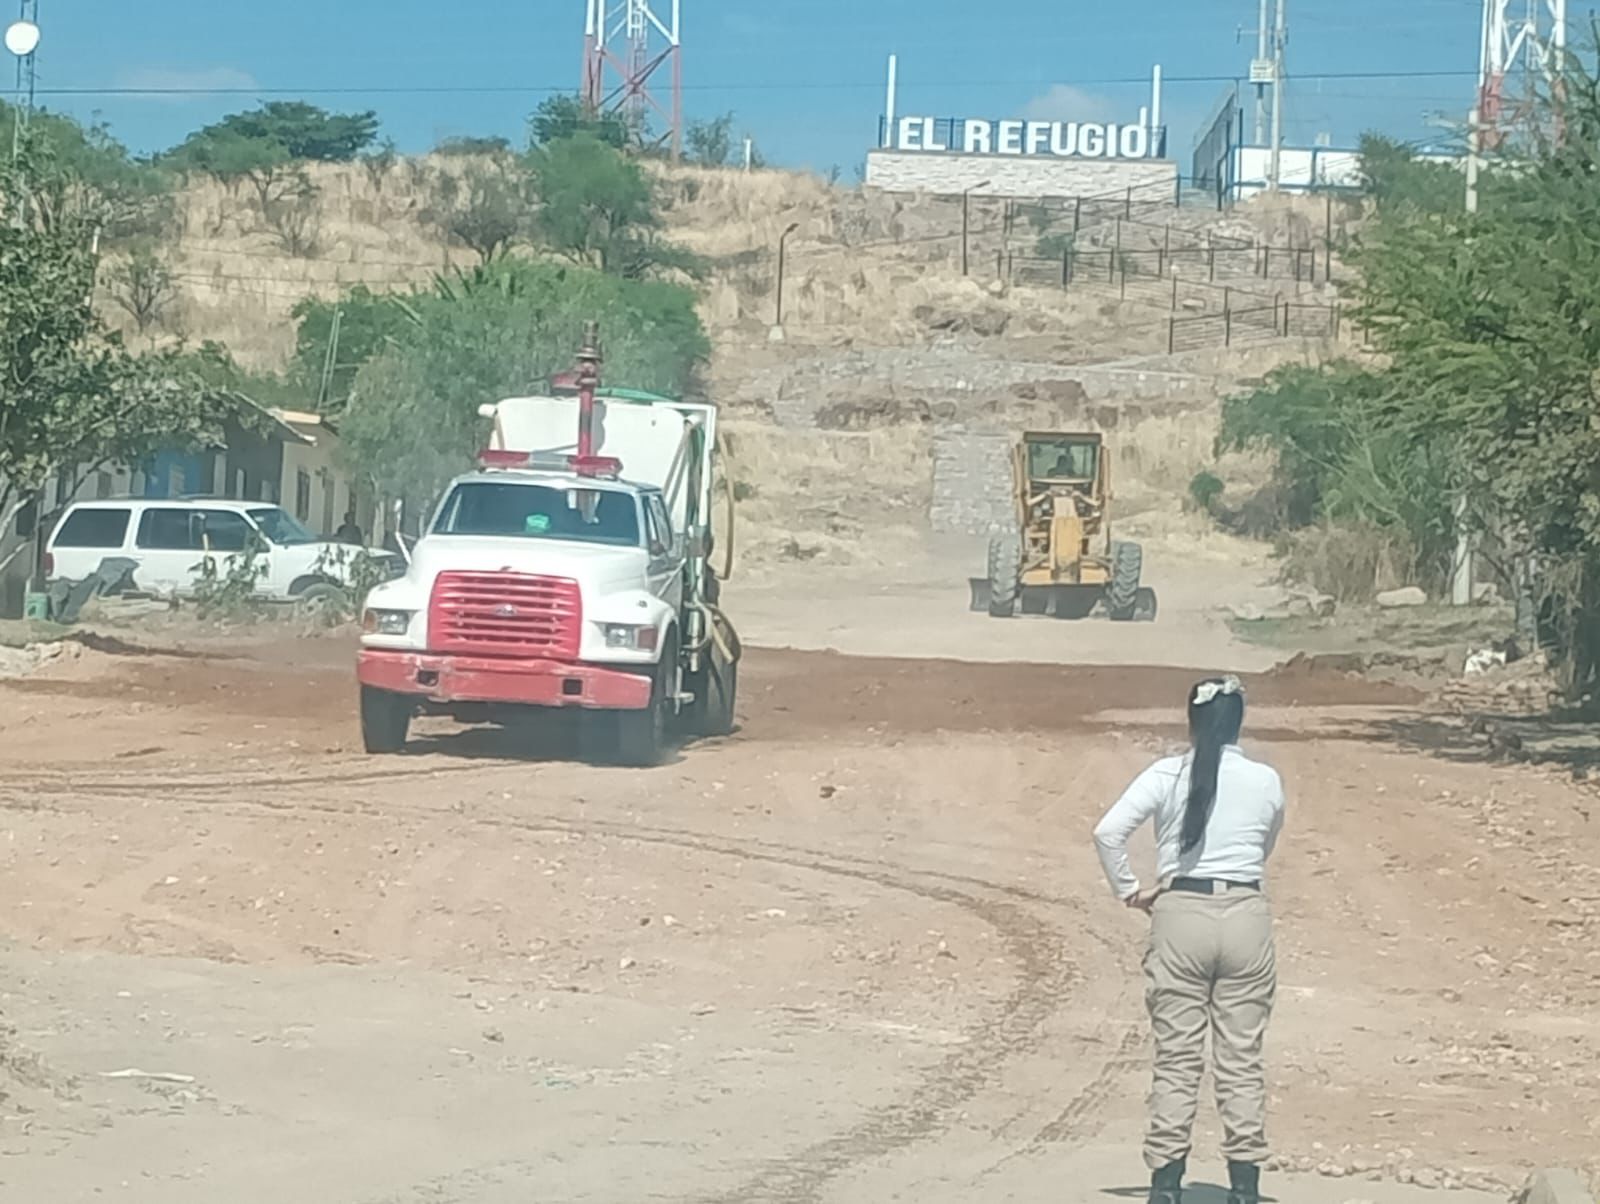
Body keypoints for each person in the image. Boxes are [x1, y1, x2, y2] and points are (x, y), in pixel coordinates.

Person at [1092, 676, 1286, 1204]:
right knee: (1241, 1057)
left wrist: (1131, 892)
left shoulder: (1166, 774)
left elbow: (1108, 833)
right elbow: (1264, 846)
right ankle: (1244, 1188)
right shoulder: (1266, 779)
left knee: (1178, 1058)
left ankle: (1165, 1185)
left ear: (1192, 722)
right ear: (1239, 722)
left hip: (1181, 913)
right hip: (1246, 913)